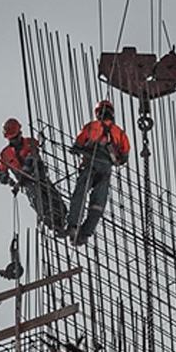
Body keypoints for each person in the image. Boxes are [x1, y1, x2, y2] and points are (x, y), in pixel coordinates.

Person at [65, 99, 130, 246]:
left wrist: (77, 149)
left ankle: (73, 226)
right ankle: (85, 234)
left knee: (80, 195)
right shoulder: (120, 133)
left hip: (90, 166)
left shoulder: (91, 127)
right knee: (98, 205)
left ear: (98, 113)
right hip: (105, 171)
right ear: (112, 114)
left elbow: (78, 144)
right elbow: (124, 157)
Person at [0, 118, 68, 232]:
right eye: (11, 139)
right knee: (37, 198)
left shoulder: (30, 142)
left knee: (52, 196)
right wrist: (10, 181)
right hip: (27, 183)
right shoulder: (5, 154)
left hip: (39, 175)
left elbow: (31, 160)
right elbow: (2, 173)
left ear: (20, 133)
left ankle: (63, 217)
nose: (14, 141)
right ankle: (52, 222)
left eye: (15, 137)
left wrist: (20, 181)